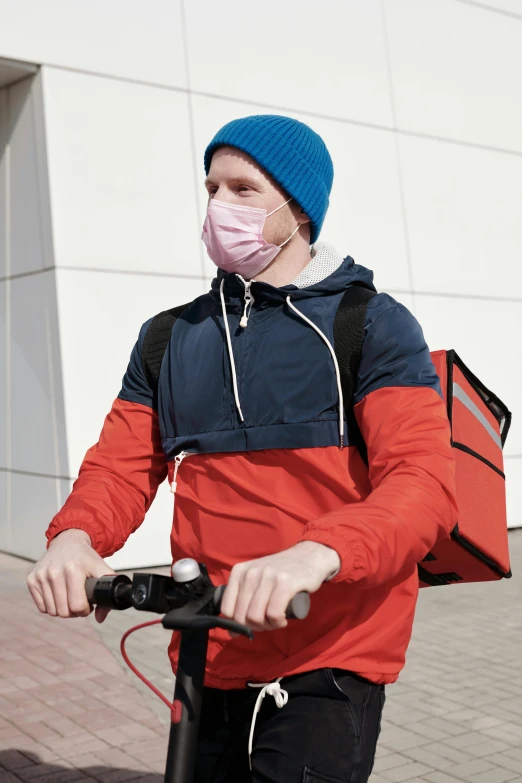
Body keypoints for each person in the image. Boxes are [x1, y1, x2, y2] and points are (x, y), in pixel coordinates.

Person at [27, 114, 458, 783]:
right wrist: (76, 535)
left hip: (330, 646)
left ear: (297, 206)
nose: (219, 207)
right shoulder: (170, 337)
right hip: (210, 641)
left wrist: (317, 552)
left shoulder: (368, 323)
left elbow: (423, 482)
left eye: (242, 188)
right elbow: (119, 465)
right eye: (211, 188)